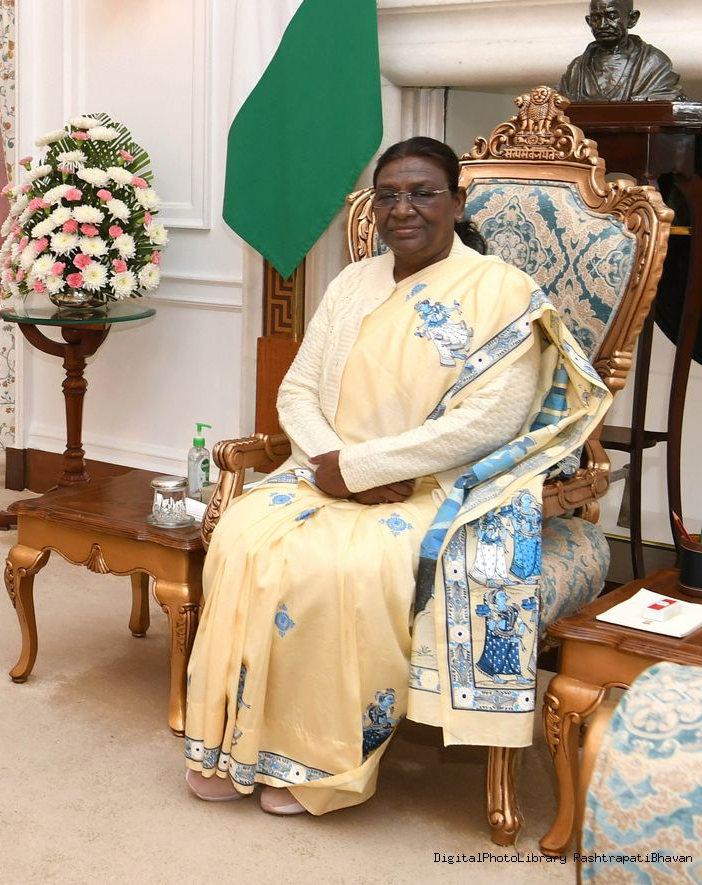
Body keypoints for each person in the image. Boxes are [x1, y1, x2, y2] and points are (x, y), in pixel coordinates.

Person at [182, 137, 609, 816]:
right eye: (388, 195)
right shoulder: (352, 283)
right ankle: (236, 743)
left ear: (457, 202)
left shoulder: (502, 290)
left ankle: (319, 761)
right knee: (242, 535)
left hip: (438, 487)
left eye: (422, 193)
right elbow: (297, 391)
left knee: (346, 565)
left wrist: (364, 469)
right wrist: (333, 465)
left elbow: (490, 420)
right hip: (325, 471)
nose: (402, 208)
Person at [558, 0, 684, 102]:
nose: (602, 25)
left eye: (611, 16)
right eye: (596, 18)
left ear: (632, 18)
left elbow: (666, 102)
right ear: (588, 21)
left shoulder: (654, 63)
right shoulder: (576, 69)